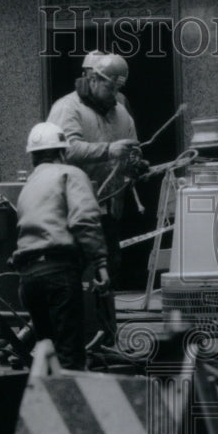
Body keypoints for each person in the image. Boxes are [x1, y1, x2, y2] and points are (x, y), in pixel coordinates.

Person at [47, 52, 140, 340]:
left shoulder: (120, 112)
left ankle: (105, 334)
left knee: (108, 270)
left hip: (108, 208)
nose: (115, 93)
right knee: (76, 273)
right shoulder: (68, 108)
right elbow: (64, 149)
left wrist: (135, 163)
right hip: (74, 208)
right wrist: (108, 150)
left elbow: (132, 147)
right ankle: (74, 335)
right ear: (92, 78)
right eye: (110, 86)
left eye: (118, 88)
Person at [11, 122, 110, 371]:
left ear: (32, 156)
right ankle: (69, 405)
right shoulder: (71, 174)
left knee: (47, 353)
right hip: (58, 272)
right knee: (69, 355)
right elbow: (84, 220)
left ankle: (46, 404)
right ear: (63, 152)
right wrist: (101, 264)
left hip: (28, 278)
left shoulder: (29, 184)